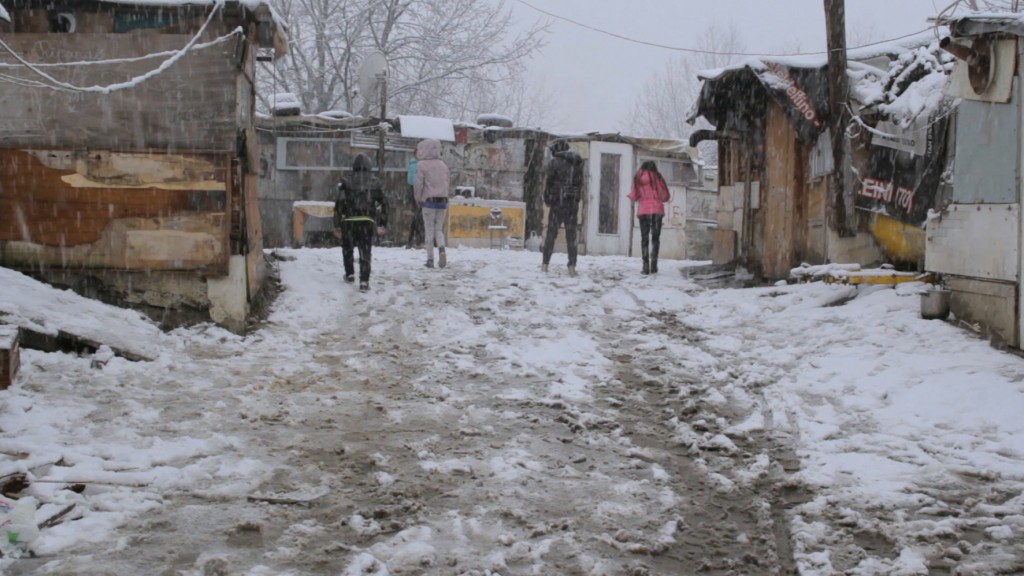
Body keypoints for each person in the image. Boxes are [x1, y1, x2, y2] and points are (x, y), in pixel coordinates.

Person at [333, 153, 388, 292]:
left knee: (347, 248)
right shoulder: (375, 183)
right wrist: (382, 223)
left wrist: (337, 223)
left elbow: (339, 204)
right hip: (367, 221)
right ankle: (364, 281)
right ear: (369, 167)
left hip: (349, 220)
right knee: (365, 251)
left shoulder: (346, 182)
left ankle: (350, 274)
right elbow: (385, 204)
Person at [541, 139, 584, 276]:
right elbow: (580, 184)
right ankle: (572, 265)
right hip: (571, 205)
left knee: (551, 234)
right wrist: (575, 200)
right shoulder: (576, 163)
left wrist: (547, 199)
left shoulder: (554, 163)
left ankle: (545, 264)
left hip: (557, 204)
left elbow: (549, 184)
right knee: (571, 236)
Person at [627, 160, 671, 275]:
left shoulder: (638, 177)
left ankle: (645, 266)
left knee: (644, 238)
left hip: (643, 212)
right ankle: (654, 265)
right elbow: (665, 196)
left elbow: (634, 195)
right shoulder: (658, 177)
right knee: (655, 239)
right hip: (656, 211)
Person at [413, 138, 450, 268]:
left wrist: (418, 199)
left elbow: (418, 185)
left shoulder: (421, 165)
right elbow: (447, 183)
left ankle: (430, 260)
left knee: (429, 231)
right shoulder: (443, 165)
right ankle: (441, 249)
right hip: (443, 201)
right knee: (438, 229)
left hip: (429, 202)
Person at [405, 154, 424, 249]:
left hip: (413, 192)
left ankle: (411, 241)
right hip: (418, 193)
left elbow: (410, 181)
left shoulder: (412, 164)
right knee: (419, 218)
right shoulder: (419, 165)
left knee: (416, 218)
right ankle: (418, 241)